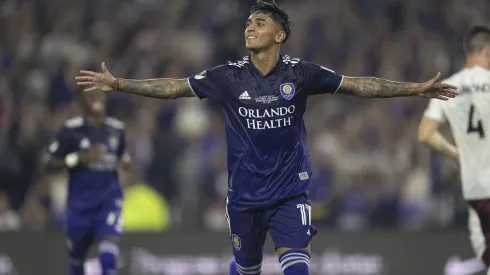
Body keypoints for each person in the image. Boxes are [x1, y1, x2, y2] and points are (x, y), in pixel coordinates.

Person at [76, 1, 457, 274]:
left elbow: (359, 86)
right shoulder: (228, 76)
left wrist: (414, 89)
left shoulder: (301, 73)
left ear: (280, 34)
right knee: (247, 270)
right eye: (248, 22)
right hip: (243, 196)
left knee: (297, 269)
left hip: (290, 191)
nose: (250, 27)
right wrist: (120, 83)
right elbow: (174, 86)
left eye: (259, 22)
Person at [418, 25, 490, 274]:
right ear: (488, 51)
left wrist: (458, 154)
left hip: (475, 189)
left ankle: (463, 269)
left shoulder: (451, 85)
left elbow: (425, 134)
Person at [45, 90, 130, 275]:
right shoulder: (70, 130)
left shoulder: (117, 129)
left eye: (100, 97)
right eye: (92, 98)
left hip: (108, 203)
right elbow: (49, 164)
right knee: (76, 262)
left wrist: (125, 159)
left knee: (108, 258)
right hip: (79, 207)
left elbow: (122, 153)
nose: (97, 102)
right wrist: (78, 158)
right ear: (81, 102)